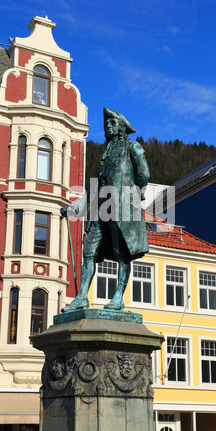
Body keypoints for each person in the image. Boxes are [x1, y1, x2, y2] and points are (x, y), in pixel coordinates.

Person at [62, 108, 150, 311]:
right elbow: (95, 188)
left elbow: (143, 173)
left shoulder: (132, 146)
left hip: (121, 207)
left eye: (112, 123)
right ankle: (82, 297)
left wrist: (134, 194)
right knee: (89, 252)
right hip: (100, 208)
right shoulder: (106, 153)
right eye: (106, 124)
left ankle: (118, 296)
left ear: (121, 127)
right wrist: (74, 208)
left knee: (122, 252)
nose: (108, 127)